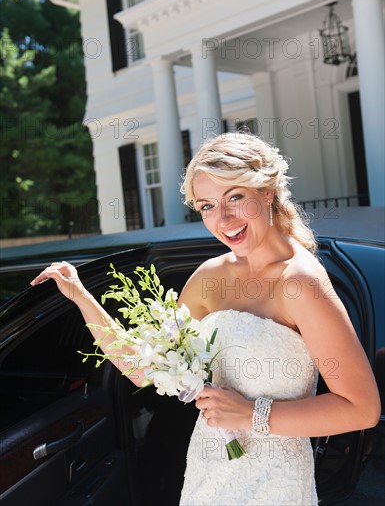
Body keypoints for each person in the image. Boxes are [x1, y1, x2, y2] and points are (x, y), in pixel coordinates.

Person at [31, 131, 380, 506]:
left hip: (275, 484)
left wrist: (252, 414)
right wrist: (81, 297)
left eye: (235, 198)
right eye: (207, 206)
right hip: (208, 474)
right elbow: (142, 369)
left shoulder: (300, 282)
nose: (224, 219)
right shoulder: (209, 277)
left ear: (266, 192)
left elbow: (360, 408)